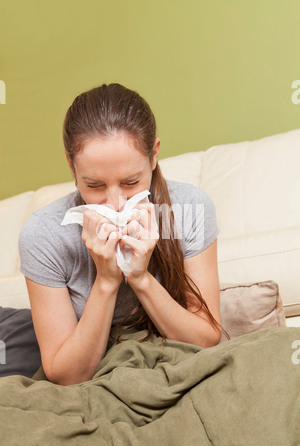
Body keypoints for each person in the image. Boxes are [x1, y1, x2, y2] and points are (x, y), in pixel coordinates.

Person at [19, 83, 223, 386]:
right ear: (71, 166)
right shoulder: (44, 234)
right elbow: (67, 376)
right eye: (94, 185)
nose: (115, 203)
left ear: (154, 155)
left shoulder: (189, 208)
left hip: (176, 367)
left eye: (130, 182)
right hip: (94, 383)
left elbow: (206, 340)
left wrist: (140, 277)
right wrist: (107, 279)